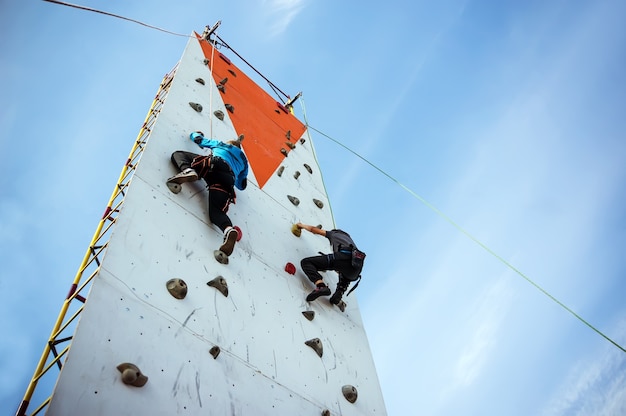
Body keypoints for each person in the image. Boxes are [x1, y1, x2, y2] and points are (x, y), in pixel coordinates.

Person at [167, 131, 248, 256]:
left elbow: (199, 139)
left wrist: (196, 134)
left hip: (214, 165)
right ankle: (228, 230)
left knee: (178, 154)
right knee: (216, 212)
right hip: (228, 181)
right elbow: (242, 185)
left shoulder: (220, 144)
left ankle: (188, 170)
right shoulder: (244, 162)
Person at [296, 222, 365, 304]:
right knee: (344, 278)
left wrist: (301, 225)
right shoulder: (350, 242)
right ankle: (338, 295)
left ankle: (321, 286)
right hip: (356, 270)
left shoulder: (334, 234)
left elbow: (314, 230)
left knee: (306, 262)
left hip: (343, 257)